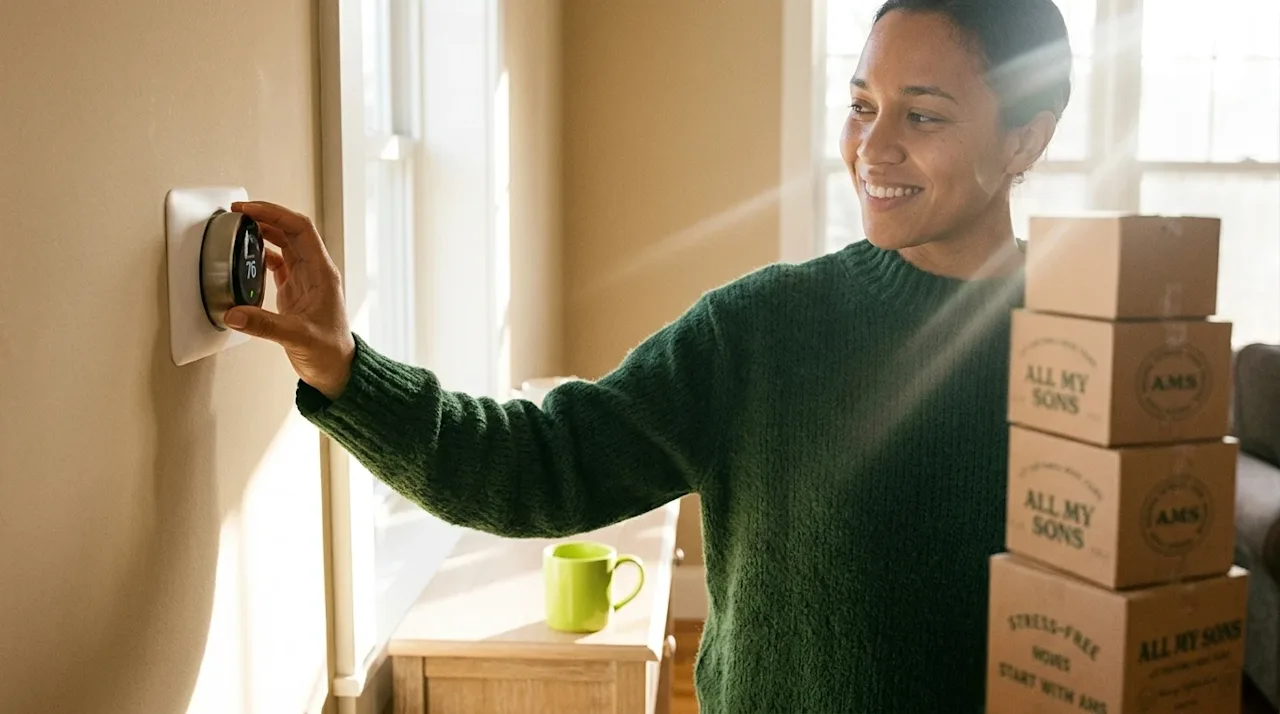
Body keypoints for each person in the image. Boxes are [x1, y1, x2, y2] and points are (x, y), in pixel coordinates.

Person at [224, 0, 1072, 710]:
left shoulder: (1098, 355)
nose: (872, 147)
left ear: (1023, 143)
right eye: (861, 104)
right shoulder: (764, 333)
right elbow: (539, 463)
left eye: (922, 115)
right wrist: (345, 369)